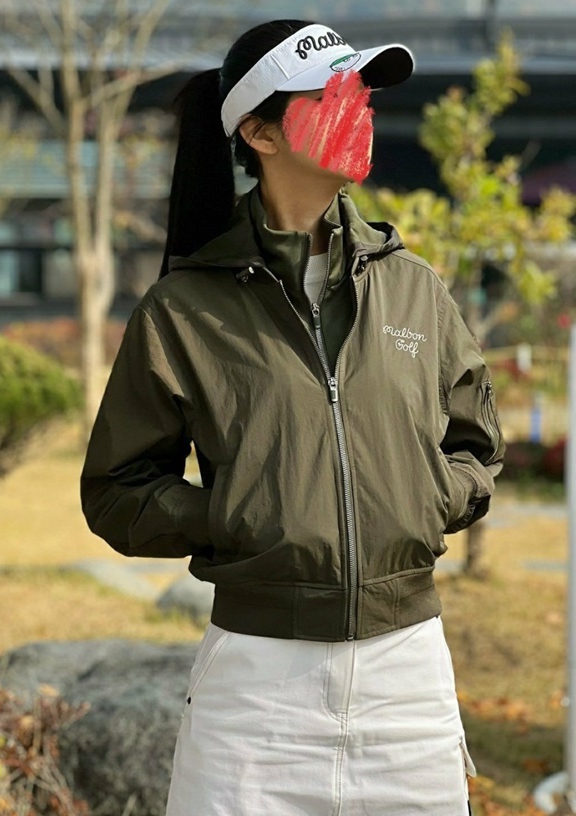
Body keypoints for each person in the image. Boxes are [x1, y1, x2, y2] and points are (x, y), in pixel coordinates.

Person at [81, 19, 505, 816]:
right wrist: (240, 518)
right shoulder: (184, 310)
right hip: (255, 698)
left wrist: (423, 501)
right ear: (260, 131)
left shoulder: (414, 289)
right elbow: (116, 489)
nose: (362, 111)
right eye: (334, 95)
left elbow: (475, 446)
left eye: (365, 96)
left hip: (408, 686)